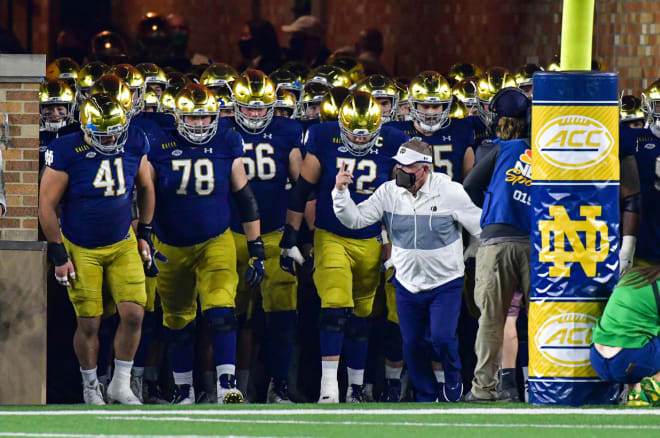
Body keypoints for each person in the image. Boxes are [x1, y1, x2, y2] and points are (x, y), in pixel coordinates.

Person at [279, 91, 409, 403]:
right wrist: (289, 239)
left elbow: (400, 203)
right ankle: (328, 388)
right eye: (353, 134)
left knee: (362, 316)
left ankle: (355, 387)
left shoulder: (393, 142)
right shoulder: (323, 137)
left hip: (371, 239)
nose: (361, 142)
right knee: (335, 307)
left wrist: (396, 246)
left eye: (367, 136)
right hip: (331, 235)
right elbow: (302, 191)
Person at [332, 137, 482, 402]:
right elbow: (355, 220)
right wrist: (341, 193)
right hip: (407, 281)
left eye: (408, 167)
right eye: (399, 164)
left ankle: (454, 378)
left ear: (425, 169)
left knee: (443, 337)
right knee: (411, 344)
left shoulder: (450, 191)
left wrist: (471, 252)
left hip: (445, 281)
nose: (401, 170)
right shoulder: (388, 192)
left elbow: (480, 225)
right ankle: (426, 395)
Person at [146, 83, 265, 404]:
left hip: (216, 240)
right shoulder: (157, 143)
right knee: (178, 319)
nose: (199, 124)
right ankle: (183, 389)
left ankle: (227, 384)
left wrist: (256, 248)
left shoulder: (227, 139)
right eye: (192, 118)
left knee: (222, 310)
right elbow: (143, 196)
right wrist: (144, 237)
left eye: (204, 118)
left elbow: (245, 197)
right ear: (178, 116)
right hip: (169, 244)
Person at [39, 94, 155, 405]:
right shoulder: (66, 150)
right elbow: (46, 206)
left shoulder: (134, 142)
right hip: (81, 246)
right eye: (104, 134)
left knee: (133, 314)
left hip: (121, 242)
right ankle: (90, 386)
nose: (112, 138)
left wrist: (145, 230)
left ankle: (120, 383)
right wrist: (59, 252)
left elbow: (146, 187)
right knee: (89, 321)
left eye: (116, 131)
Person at [228, 69, 303, 403]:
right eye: (249, 107)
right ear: (235, 105)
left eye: (262, 107)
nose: (256, 114)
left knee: (283, 317)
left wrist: (297, 235)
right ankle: (230, 386)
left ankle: (279, 385)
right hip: (229, 235)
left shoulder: (288, 131)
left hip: (275, 234)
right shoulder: (220, 129)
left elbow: (303, 187)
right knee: (227, 315)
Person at [462, 87, 532, 402]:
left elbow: (471, 186)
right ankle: (546, 385)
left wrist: (492, 206)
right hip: (539, 239)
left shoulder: (497, 149)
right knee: (544, 316)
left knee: (491, 319)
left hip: (497, 237)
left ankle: (483, 389)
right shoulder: (550, 149)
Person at [590, 265, 660, 407]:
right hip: (628, 360)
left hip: (598, 360)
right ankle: (651, 388)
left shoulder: (634, 277)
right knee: (641, 340)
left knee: (639, 337)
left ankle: (635, 392)